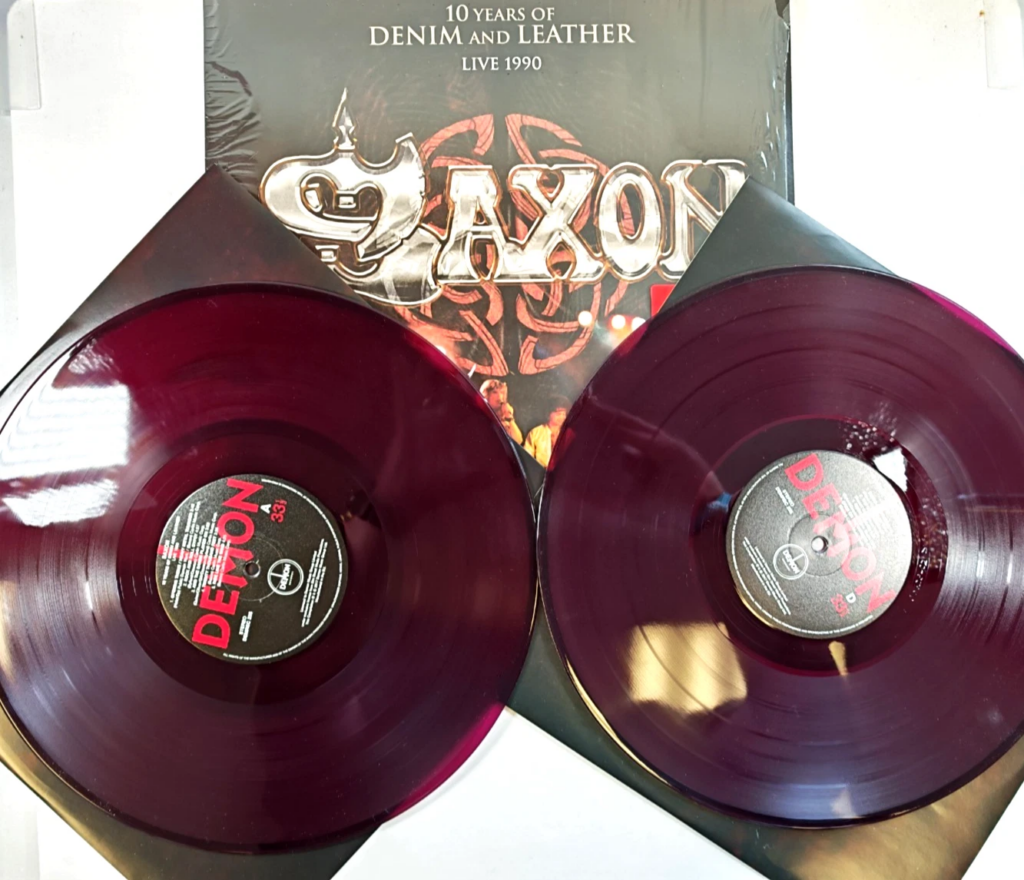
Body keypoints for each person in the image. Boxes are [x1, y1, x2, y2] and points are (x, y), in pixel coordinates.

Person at [524, 397, 571, 468]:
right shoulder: (536, 433)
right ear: (548, 414)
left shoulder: (568, 434)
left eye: (564, 414)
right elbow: (527, 458)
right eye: (558, 414)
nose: (562, 417)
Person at [479, 379, 523, 444]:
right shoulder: (479, 415)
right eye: (494, 392)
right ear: (485, 394)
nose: (499, 396)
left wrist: (509, 417)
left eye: (502, 392)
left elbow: (518, 441)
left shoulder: (503, 419)